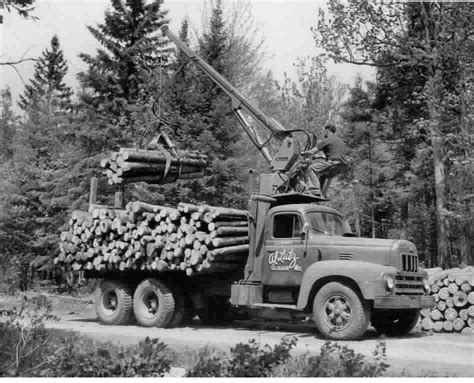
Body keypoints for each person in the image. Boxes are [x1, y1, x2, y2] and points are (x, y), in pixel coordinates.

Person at [300, 124, 347, 197]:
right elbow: (334, 153)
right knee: (322, 174)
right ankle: (321, 193)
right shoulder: (340, 141)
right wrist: (318, 156)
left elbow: (313, 151)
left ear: (327, 131)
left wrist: (304, 153)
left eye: (324, 131)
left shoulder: (327, 140)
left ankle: (315, 190)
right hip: (342, 165)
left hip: (333, 163)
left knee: (311, 168)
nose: (324, 133)